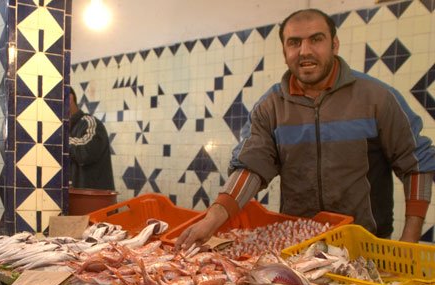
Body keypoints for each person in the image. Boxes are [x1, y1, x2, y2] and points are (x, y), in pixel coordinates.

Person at [177, 9, 435, 251]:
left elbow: (417, 163)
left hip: (366, 245)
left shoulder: (377, 98)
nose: (305, 51)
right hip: (299, 247)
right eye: (294, 43)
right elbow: (250, 166)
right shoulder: (271, 107)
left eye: (316, 39)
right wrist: (213, 219)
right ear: (284, 50)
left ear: (334, 44)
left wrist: (409, 240)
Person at [68, 87, 115, 190]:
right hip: (74, 201)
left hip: (95, 202)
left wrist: (60, 140)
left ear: (69, 99)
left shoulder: (90, 123)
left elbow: (85, 153)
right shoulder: (64, 129)